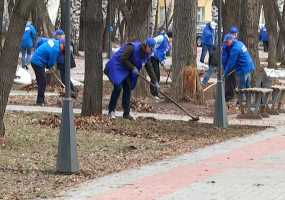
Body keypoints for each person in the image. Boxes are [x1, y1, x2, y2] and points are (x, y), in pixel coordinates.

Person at [104, 38, 159, 120]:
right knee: (118, 87)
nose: (151, 51)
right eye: (151, 48)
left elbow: (149, 68)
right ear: (146, 45)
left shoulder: (147, 54)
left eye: (153, 49)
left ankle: (126, 113)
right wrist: (133, 68)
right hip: (117, 65)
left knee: (128, 88)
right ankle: (111, 111)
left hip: (128, 69)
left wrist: (155, 81)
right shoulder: (133, 48)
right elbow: (123, 59)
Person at [31, 39, 64, 106]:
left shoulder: (54, 41)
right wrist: (49, 66)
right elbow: (51, 62)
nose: (62, 50)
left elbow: (41, 41)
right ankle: (40, 101)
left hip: (35, 60)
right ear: (62, 44)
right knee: (43, 82)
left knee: (41, 82)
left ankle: (41, 100)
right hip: (38, 63)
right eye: (63, 48)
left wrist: (39, 51)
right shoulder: (56, 50)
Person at [147, 31, 171, 97]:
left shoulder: (167, 41)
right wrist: (154, 51)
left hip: (157, 59)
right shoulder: (162, 37)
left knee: (157, 75)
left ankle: (155, 93)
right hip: (153, 57)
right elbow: (153, 41)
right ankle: (154, 93)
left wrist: (162, 61)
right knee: (155, 75)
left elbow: (163, 52)